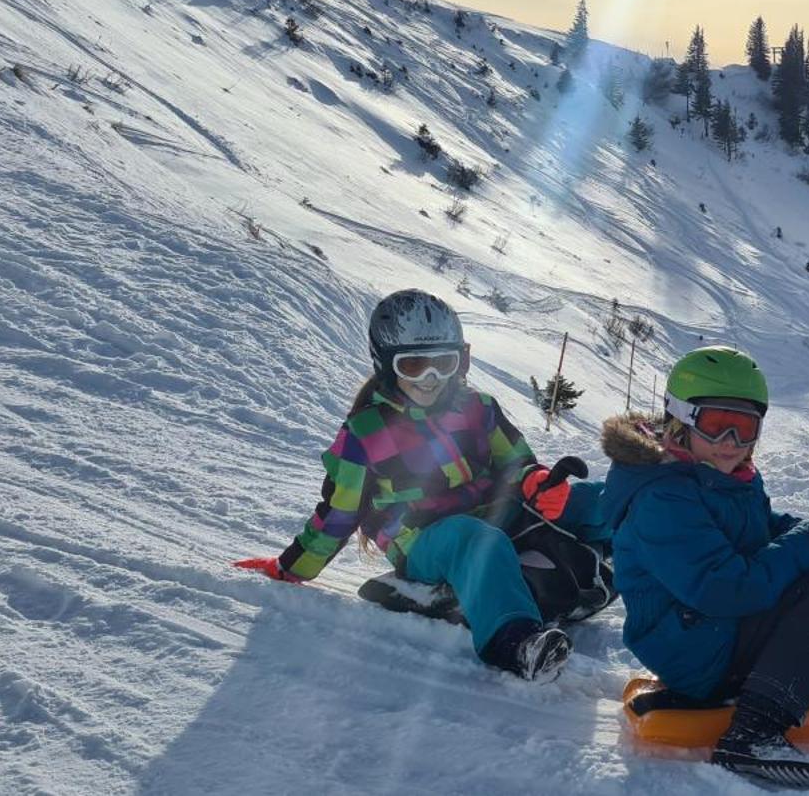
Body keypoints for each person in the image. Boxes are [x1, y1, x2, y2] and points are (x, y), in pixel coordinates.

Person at [235, 289, 594, 683]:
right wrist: (289, 568)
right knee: (471, 537)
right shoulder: (364, 434)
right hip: (423, 543)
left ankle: (629, 572)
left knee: (591, 499)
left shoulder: (478, 407)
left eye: (444, 363)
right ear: (387, 366)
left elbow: (517, 463)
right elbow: (338, 514)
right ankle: (515, 640)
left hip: (492, 515)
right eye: (415, 366)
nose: (431, 377)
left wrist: (537, 482)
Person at [598, 346, 809, 789]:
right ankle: (753, 733)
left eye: (745, 427)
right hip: (694, 648)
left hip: (704, 630)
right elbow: (724, 588)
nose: (730, 441)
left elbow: (763, 532)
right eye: (715, 425)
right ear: (681, 418)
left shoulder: (725, 475)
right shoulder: (663, 498)